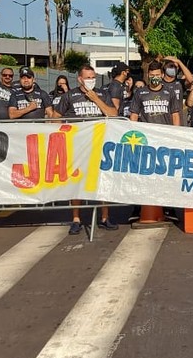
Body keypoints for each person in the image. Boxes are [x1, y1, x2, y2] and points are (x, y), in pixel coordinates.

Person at [58, 66, 120, 233]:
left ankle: (105, 217)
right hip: (77, 145)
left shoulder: (102, 94)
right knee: (76, 181)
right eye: (88, 77)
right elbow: (55, 118)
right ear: (80, 79)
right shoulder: (69, 96)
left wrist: (95, 99)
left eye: (93, 77)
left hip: (99, 145)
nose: (91, 80)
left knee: (103, 180)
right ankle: (76, 218)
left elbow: (114, 113)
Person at [129, 61, 182, 126]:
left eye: (157, 75)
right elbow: (134, 114)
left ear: (162, 75)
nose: (155, 77)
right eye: (152, 75)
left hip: (165, 131)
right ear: (148, 75)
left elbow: (175, 115)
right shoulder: (140, 92)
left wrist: (176, 132)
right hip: (147, 131)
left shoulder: (170, 92)